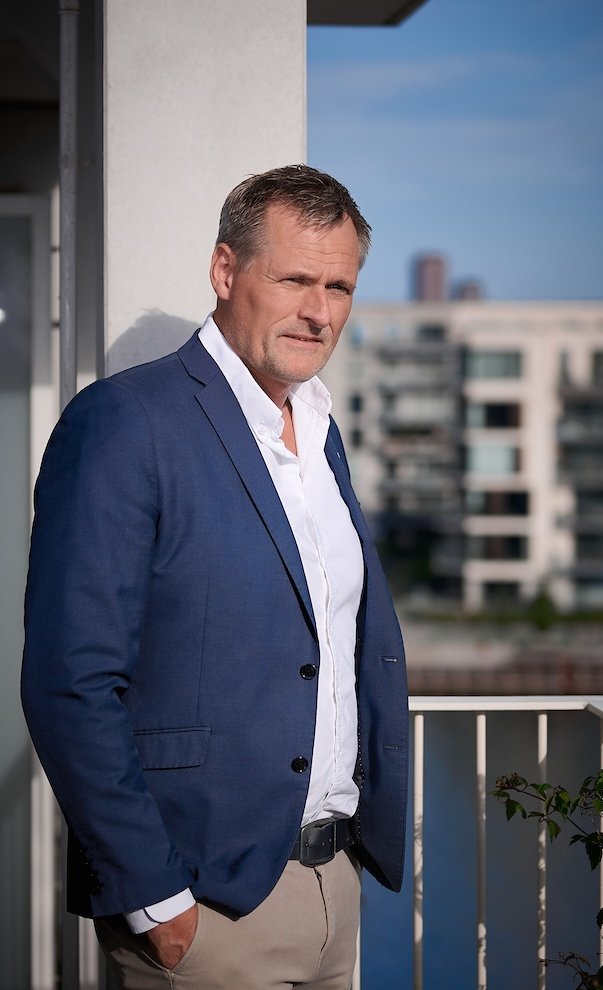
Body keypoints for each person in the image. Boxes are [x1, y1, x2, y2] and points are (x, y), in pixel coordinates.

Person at [21, 164, 408, 990]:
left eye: (339, 286)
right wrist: (156, 900)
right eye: (295, 279)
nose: (319, 310)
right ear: (225, 271)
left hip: (334, 886)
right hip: (204, 906)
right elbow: (70, 679)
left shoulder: (320, 428)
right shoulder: (125, 422)